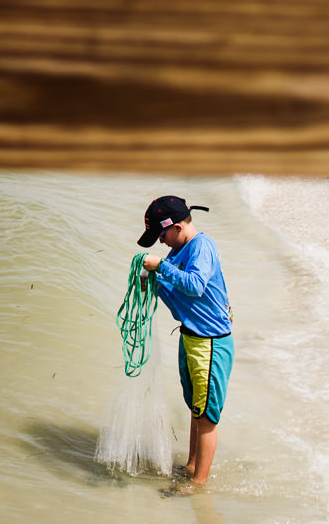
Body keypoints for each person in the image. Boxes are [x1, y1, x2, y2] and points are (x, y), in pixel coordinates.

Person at [138, 195, 233, 487]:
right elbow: (173, 290)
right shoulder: (177, 252)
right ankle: (191, 467)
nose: (161, 242)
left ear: (177, 227)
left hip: (211, 342)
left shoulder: (201, 246)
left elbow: (194, 285)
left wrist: (161, 268)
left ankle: (198, 486)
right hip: (191, 337)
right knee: (196, 408)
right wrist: (149, 280)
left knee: (206, 418)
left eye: (162, 235)